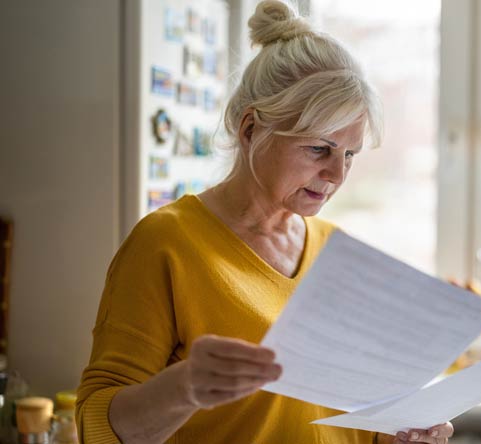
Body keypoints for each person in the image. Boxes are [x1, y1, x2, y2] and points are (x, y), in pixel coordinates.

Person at [76, 1, 455, 443]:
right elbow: (95, 426)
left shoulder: (337, 250)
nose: (337, 174)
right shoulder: (167, 243)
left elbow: (341, 421)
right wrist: (184, 388)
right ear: (250, 128)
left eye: (348, 154)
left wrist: (395, 435)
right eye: (319, 148)